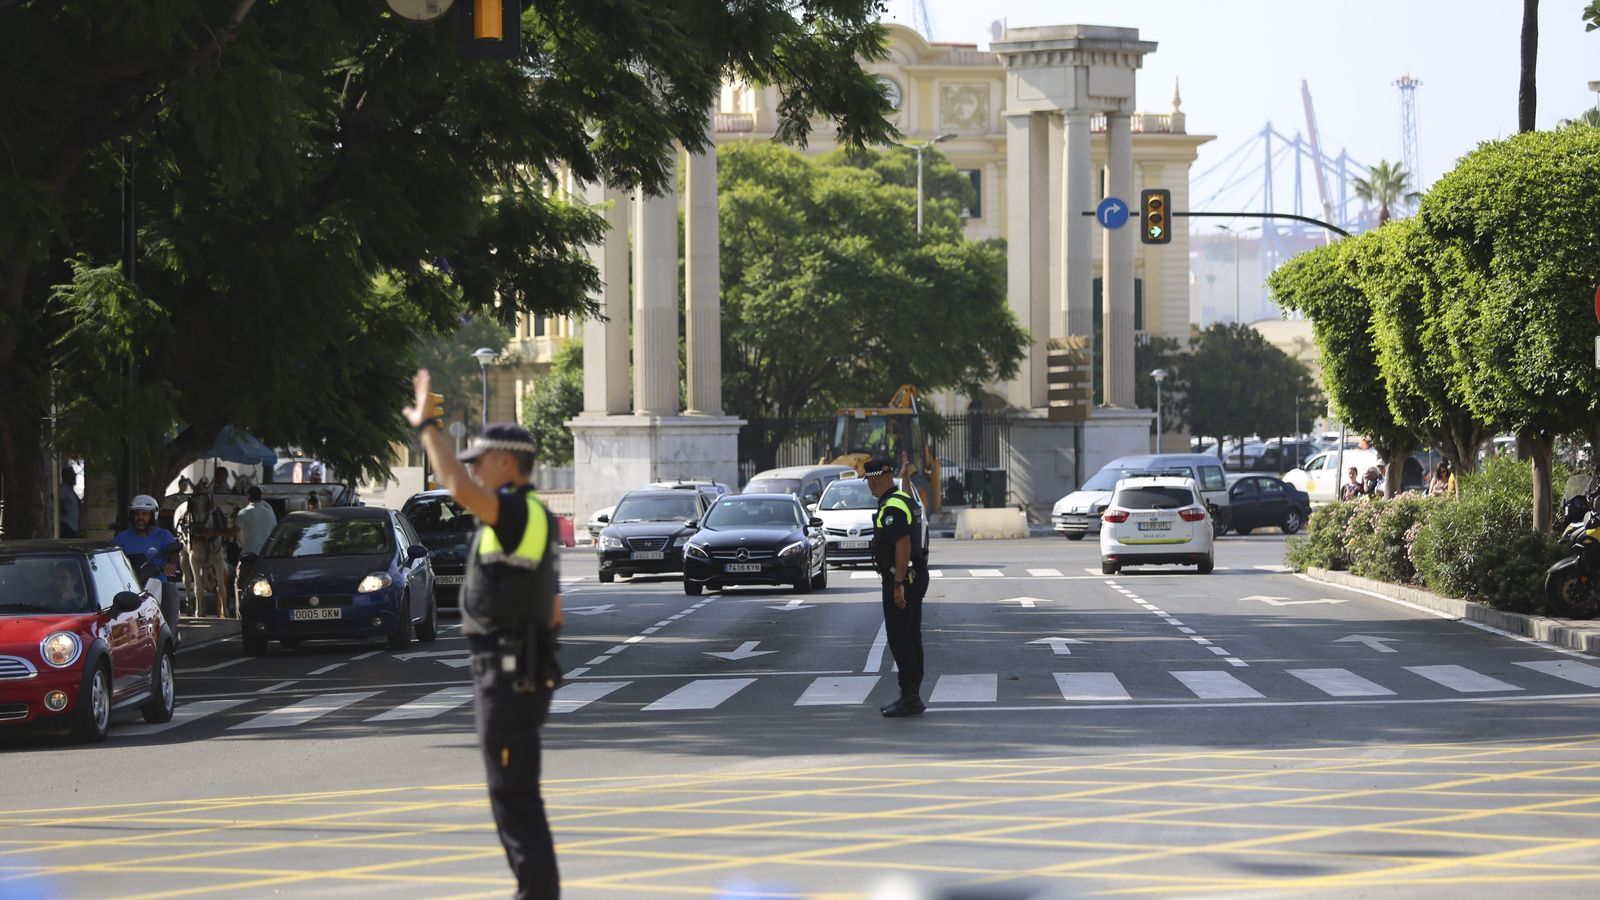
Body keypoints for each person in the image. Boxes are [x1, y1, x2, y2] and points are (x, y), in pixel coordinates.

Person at [404, 369, 563, 900]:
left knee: (513, 797)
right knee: (515, 796)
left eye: (480, 460)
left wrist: (428, 425)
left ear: (507, 463)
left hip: (509, 672)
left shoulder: (515, 510)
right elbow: (554, 608)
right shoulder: (528, 518)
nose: (473, 469)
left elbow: (454, 486)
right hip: (521, 668)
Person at [864, 457, 929, 718]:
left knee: (900, 638)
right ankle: (910, 694)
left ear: (876, 478)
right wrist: (905, 477)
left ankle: (910, 696)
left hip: (904, 578)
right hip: (915, 575)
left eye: (869, 479)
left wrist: (898, 583)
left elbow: (902, 546)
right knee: (911, 636)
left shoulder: (891, 508)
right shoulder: (902, 499)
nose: (868, 484)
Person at [112, 495, 179, 582]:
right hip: (129, 583)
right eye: (137, 514)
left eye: (144, 514)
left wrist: (171, 563)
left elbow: (173, 551)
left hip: (158, 582)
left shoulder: (163, 535)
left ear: (153, 516)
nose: (140, 518)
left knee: (171, 593)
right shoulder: (121, 538)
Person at [57, 467, 81, 538]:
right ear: (66, 477)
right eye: (72, 476)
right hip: (66, 525)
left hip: (73, 526)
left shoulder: (70, 490)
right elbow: (55, 497)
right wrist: (62, 508)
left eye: (74, 476)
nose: (74, 478)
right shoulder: (63, 489)